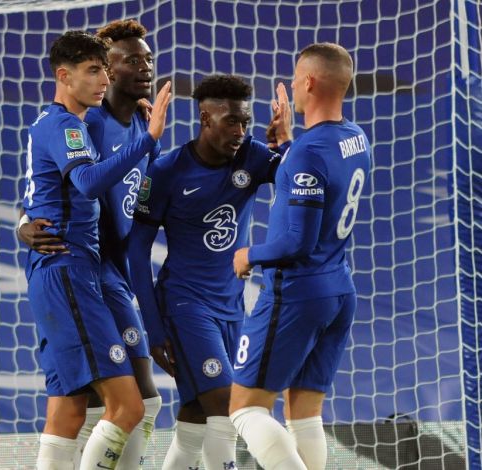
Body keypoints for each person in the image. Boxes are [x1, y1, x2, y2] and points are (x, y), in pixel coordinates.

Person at [20, 29, 171, 470]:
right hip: (76, 271)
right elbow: (80, 183)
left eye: (104, 68)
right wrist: (24, 224)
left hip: (96, 273)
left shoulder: (125, 123)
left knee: (72, 408)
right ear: (65, 76)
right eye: (98, 69)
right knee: (130, 406)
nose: (105, 77)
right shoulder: (78, 126)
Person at [128, 74, 290, 470]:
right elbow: (136, 250)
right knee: (228, 406)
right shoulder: (167, 172)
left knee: (197, 415)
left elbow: (303, 179)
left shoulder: (252, 156)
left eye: (245, 122)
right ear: (204, 118)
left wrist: (286, 141)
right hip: (185, 304)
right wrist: (153, 328)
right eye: (229, 122)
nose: (239, 131)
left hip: (232, 307)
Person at [229, 43, 371, 470]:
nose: (292, 85)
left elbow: (297, 243)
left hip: (296, 293)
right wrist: (289, 143)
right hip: (338, 290)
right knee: (304, 414)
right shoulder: (356, 138)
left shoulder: (308, 153)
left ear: (308, 82)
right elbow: (317, 177)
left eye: (295, 77)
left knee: (245, 408)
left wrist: (249, 255)